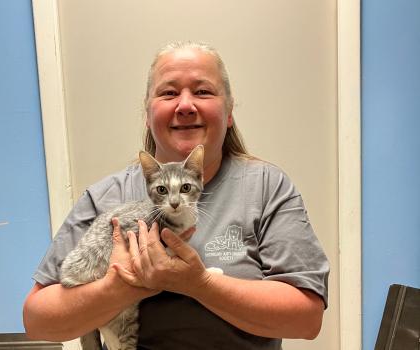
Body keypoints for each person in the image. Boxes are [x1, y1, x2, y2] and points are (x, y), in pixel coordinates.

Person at [23, 41, 329, 349]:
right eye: (169, 93)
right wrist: (124, 285)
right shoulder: (106, 197)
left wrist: (200, 284)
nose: (185, 105)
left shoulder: (266, 187)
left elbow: (306, 319)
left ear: (229, 111)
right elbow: (38, 321)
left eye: (203, 91)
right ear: (147, 113)